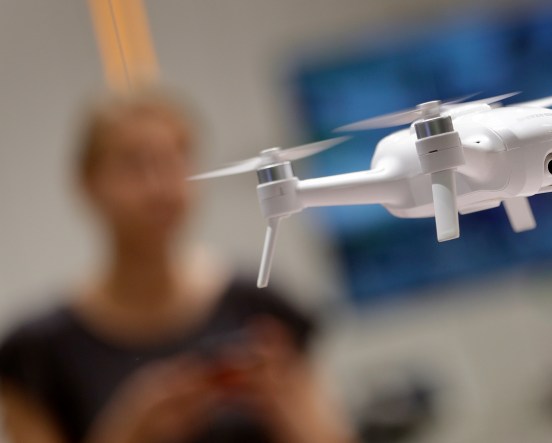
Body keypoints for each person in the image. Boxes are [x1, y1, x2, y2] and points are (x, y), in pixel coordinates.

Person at [0, 89, 353, 443]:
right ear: (88, 183)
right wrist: (130, 433)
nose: (160, 187)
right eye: (134, 164)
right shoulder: (37, 352)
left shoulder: (260, 305)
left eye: (175, 160)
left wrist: (281, 405)